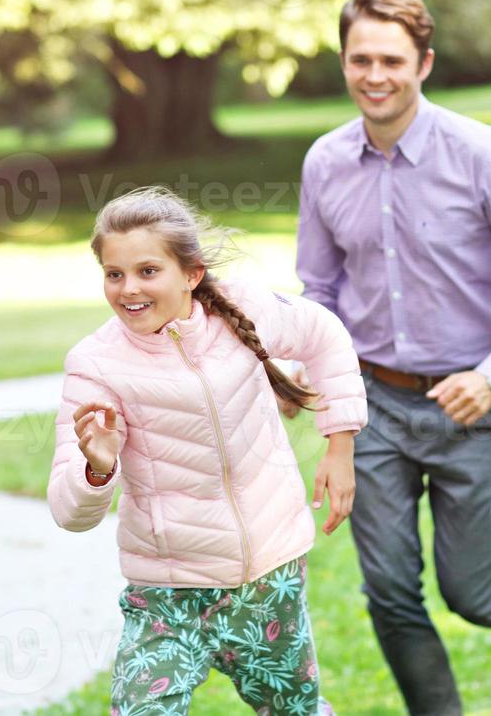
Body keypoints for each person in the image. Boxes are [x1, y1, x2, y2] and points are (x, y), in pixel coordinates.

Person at [296, 0, 491, 714]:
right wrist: (323, 399)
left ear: (423, 63)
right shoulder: (325, 164)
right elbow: (319, 296)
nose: (374, 76)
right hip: (373, 406)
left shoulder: (482, 156)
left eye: (391, 60)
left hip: (469, 408)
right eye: (359, 59)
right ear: (343, 62)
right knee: (390, 593)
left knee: (476, 590)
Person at [48, 186, 367, 715]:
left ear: (191, 274)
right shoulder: (95, 364)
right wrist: (96, 468)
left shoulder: (243, 307)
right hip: (168, 593)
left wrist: (340, 444)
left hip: (270, 575)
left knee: (296, 710)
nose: (128, 289)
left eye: (148, 271)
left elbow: (324, 335)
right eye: (114, 274)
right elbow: (67, 511)